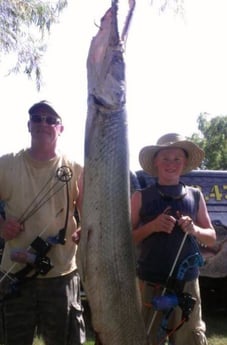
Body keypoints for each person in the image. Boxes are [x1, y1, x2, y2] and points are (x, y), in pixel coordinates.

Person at [0, 101, 86, 345]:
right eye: (37, 118)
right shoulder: (5, 164)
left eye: (51, 120)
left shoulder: (76, 169)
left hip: (61, 275)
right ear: (29, 125)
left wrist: (82, 230)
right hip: (14, 274)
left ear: (60, 128)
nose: (43, 123)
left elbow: (89, 214)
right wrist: (1, 225)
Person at [131, 133, 216, 345]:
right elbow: (127, 239)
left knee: (190, 337)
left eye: (177, 158)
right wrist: (152, 226)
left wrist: (194, 229)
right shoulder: (140, 196)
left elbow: (212, 238)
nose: (171, 163)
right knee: (147, 338)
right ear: (156, 161)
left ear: (185, 162)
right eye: (166, 158)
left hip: (187, 283)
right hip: (150, 282)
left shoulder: (195, 195)